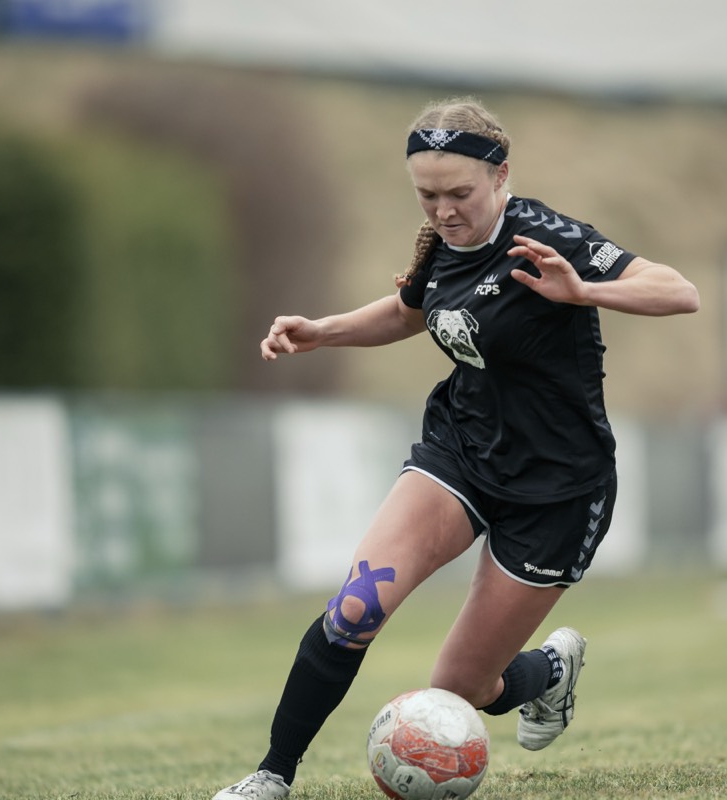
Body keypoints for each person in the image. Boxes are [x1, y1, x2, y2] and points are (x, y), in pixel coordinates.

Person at [212, 97, 699, 799]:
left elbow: (677, 292)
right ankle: (271, 775)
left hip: (558, 488)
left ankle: (547, 676)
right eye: (428, 195)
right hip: (461, 452)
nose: (443, 211)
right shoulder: (442, 242)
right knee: (355, 607)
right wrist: (323, 330)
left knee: (460, 690)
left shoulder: (546, 237)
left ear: (501, 177)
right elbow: (412, 311)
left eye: (460, 194)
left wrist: (581, 292)